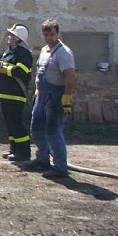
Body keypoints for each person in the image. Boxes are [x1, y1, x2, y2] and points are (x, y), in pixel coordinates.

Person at [20, 19, 76, 179]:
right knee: (36, 127)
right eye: (46, 34)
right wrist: (38, 92)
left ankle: (60, 167)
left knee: (53, 131)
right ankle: (42, 159)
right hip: (42, 95)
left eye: (52, 34)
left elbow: (70, 78)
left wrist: (66, 100)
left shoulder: (63, 52)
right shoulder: (45, 50)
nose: (49, 37)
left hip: (56, 97)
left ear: (57, 34)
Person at [0, 24, 33, 162]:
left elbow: (19, 72)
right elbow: (0, 68)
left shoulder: (24, 54)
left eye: (12, 35)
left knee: (16, 123)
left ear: (18, 39)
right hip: (4, 93)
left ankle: (24, 152)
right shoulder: (7, 52)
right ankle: (14, 149)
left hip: (16, 95)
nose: (9, 37)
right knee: (10, 123)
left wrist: (2, 67)